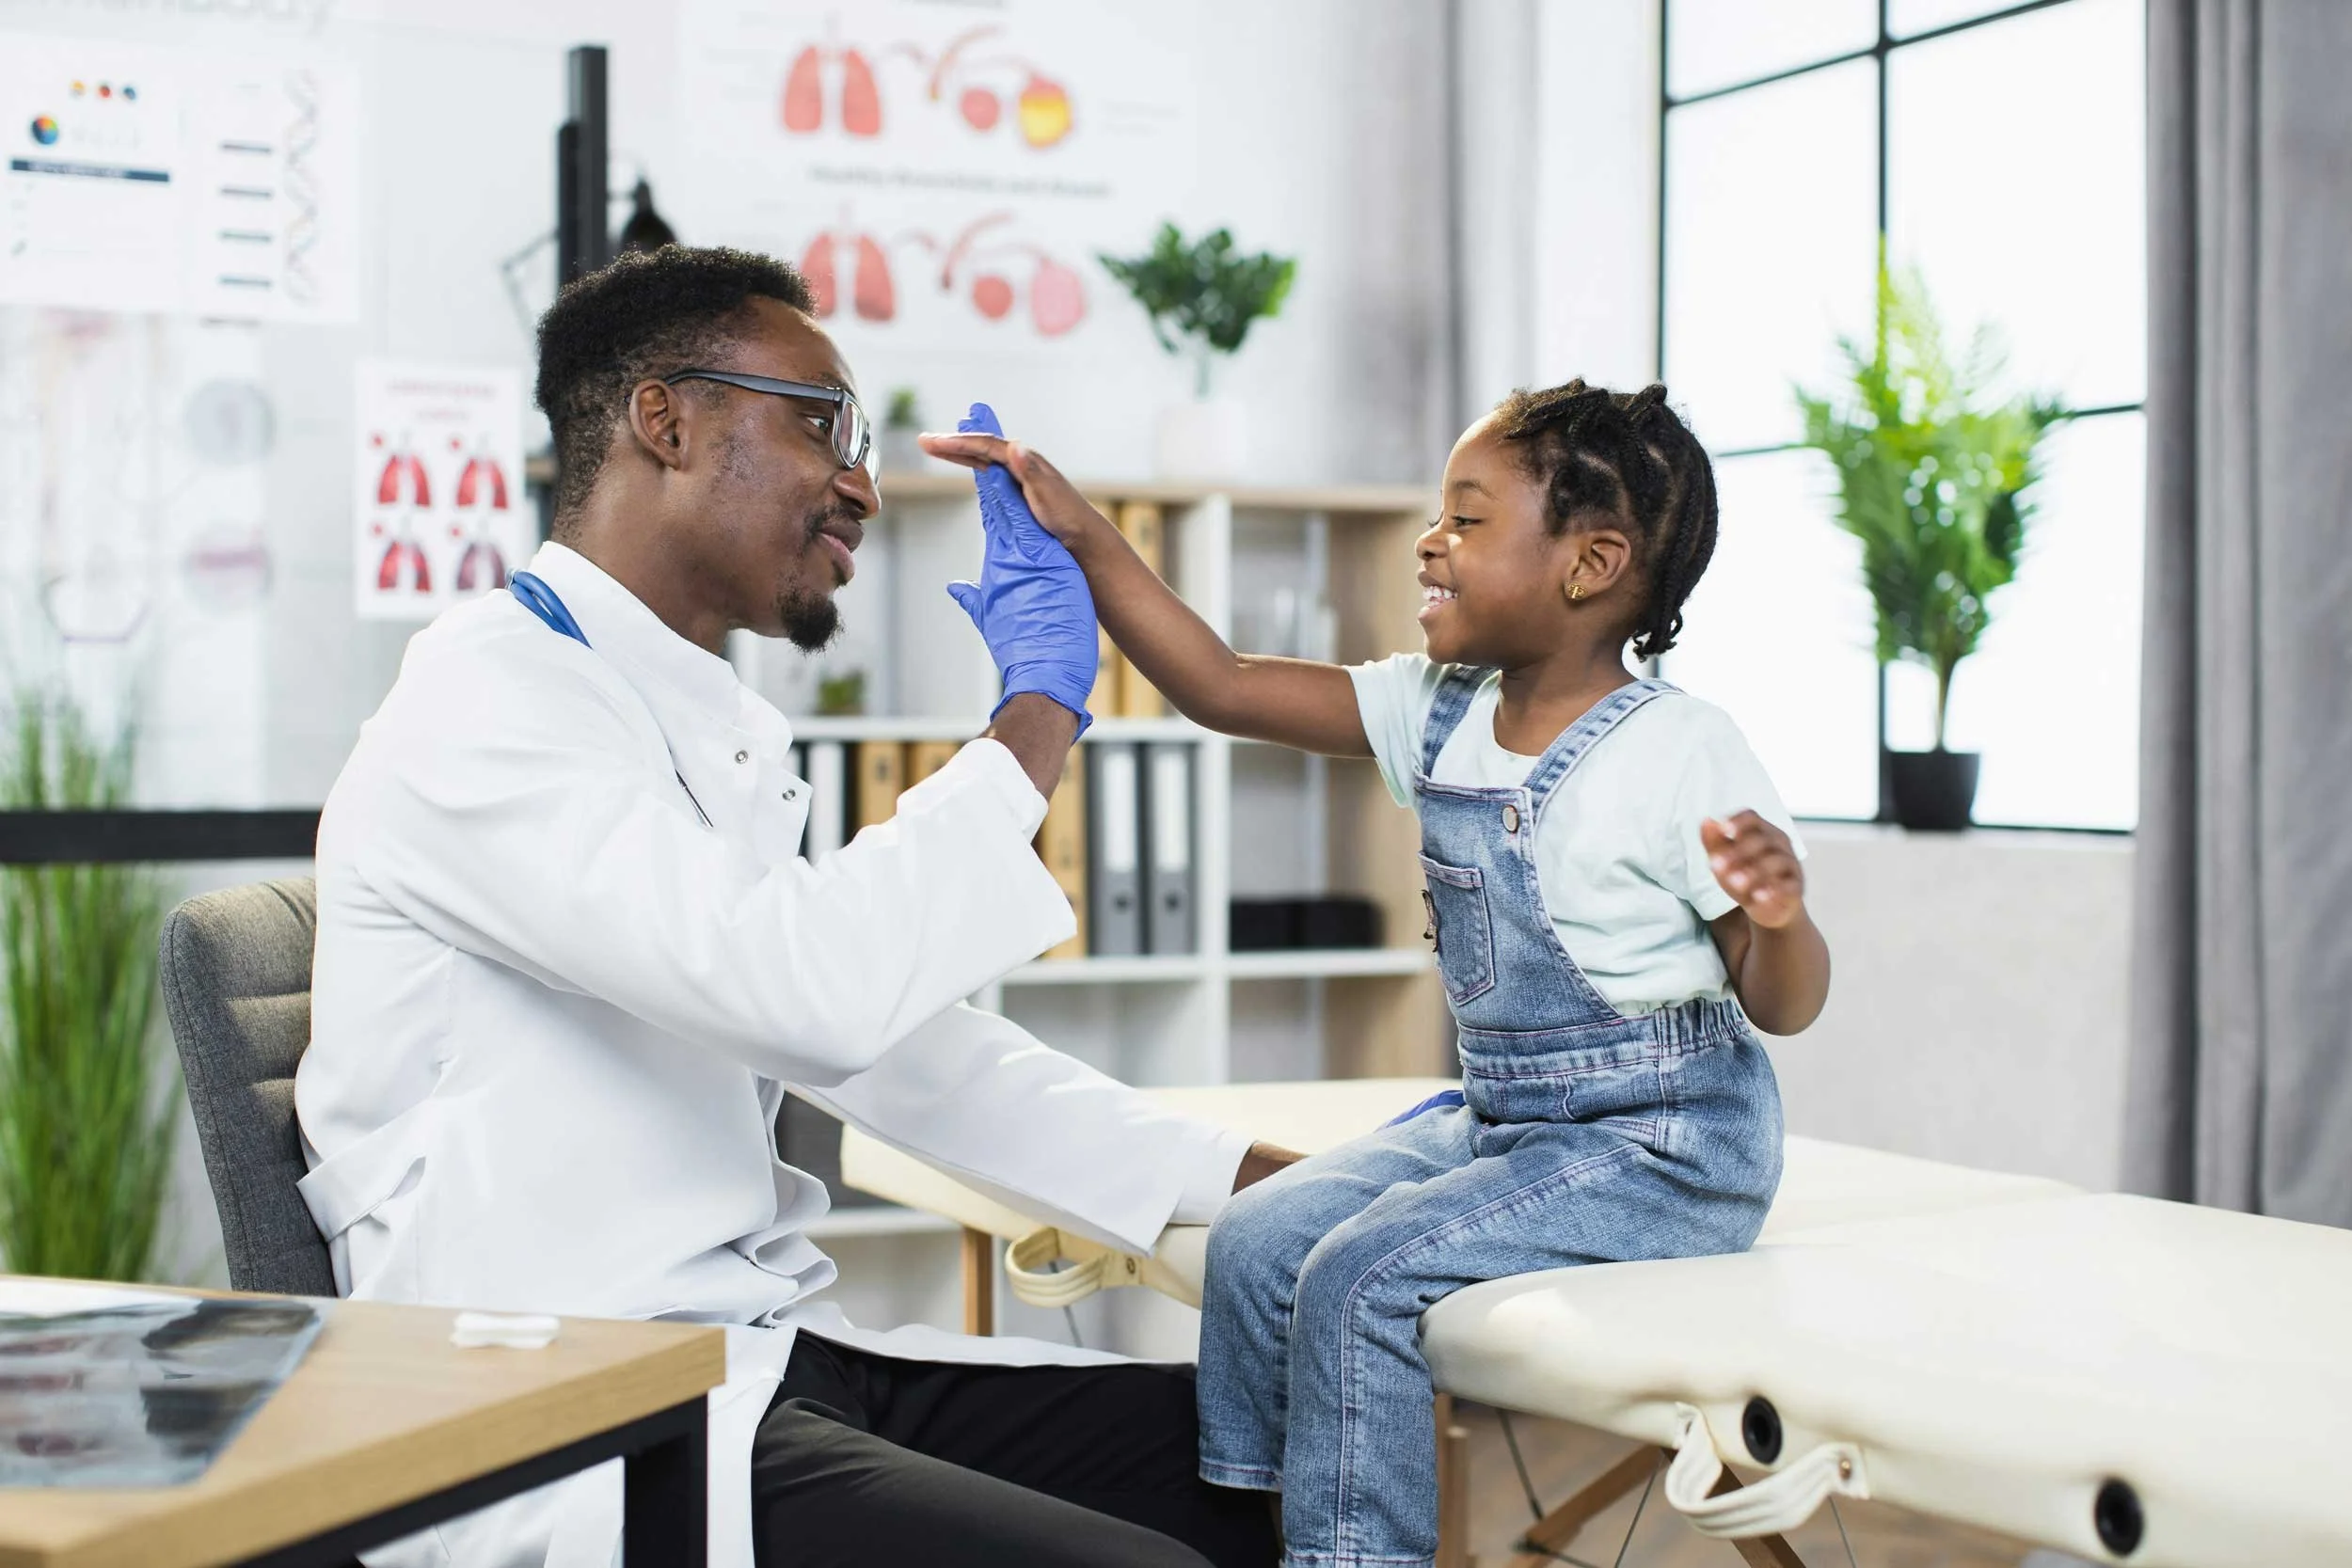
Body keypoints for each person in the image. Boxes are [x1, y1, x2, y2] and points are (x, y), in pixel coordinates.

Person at [294, 245, 1287, 1568]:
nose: (863, 484)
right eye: (826, 424)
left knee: (1291, 1462)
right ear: (667, 419)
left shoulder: (682, 717)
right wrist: (1037, 711)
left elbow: (902, 1045)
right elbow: (809, 993)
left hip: (748, 1359)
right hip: (557, 1401)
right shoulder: (483, 706)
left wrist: (1273, 1185)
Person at [921, 378, 1833, 1567]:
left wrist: (1777, 917)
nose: (1429, 540)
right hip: (1512, 1120)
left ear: (1590, 562)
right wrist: (1082, 533)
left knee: (1361, 1278)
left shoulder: (1677, 750)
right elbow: (1221, 683)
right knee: (1255, 1240)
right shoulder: (1441, 710)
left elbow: (1784, 1005)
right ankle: (1245, 1530)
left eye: (1467, 517)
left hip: (1662, 1144)